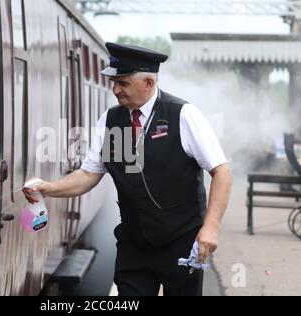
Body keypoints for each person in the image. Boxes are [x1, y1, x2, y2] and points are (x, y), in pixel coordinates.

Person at [23, 43, 233, 296]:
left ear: (148, 83)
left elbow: (222, 172)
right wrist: (49, 189)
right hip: (134, 244)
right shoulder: (110, 120)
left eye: (123, 82)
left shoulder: (184, 115)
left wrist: (210, 228)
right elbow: (89, 174)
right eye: (114, 82)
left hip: (181, 243)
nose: (115, 89)